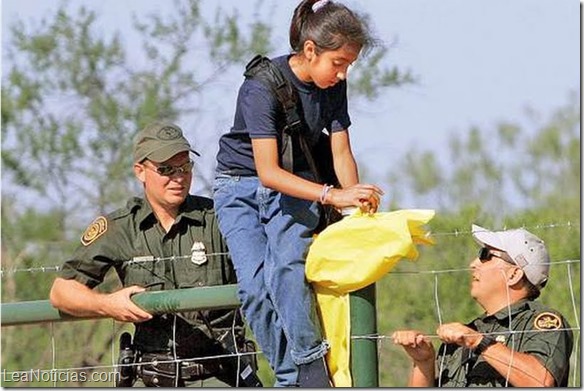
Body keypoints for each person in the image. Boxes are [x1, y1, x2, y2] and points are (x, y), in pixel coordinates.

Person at [212, 0, 384, 387]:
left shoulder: (333, 87)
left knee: (288, 266)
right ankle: (292, 376)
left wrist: (353, 200)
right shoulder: (260, 87)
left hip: (300, 180)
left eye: (349, 66)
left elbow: (341, 151)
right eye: (338, 63)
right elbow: (268, 172)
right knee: (256, 289)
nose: (342, 74)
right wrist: (331, 196)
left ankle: (309, 366)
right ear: (310, 51)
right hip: (242, 186)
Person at [50, 121, 259, 387]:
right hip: (152, 377)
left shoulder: (220, 218)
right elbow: (62, 292)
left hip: (222, 373)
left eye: (185, 168)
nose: (179, 177)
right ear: (140, 171)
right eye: (166, 170)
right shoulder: (121, 228)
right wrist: (108, 304)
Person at [392, 224, 574, 387]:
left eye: (485, 255)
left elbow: (540, 382)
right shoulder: (465, 334)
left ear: (514, 275)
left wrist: (479, 342)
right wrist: (424, 362)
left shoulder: (542, 322)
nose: (473, 264)